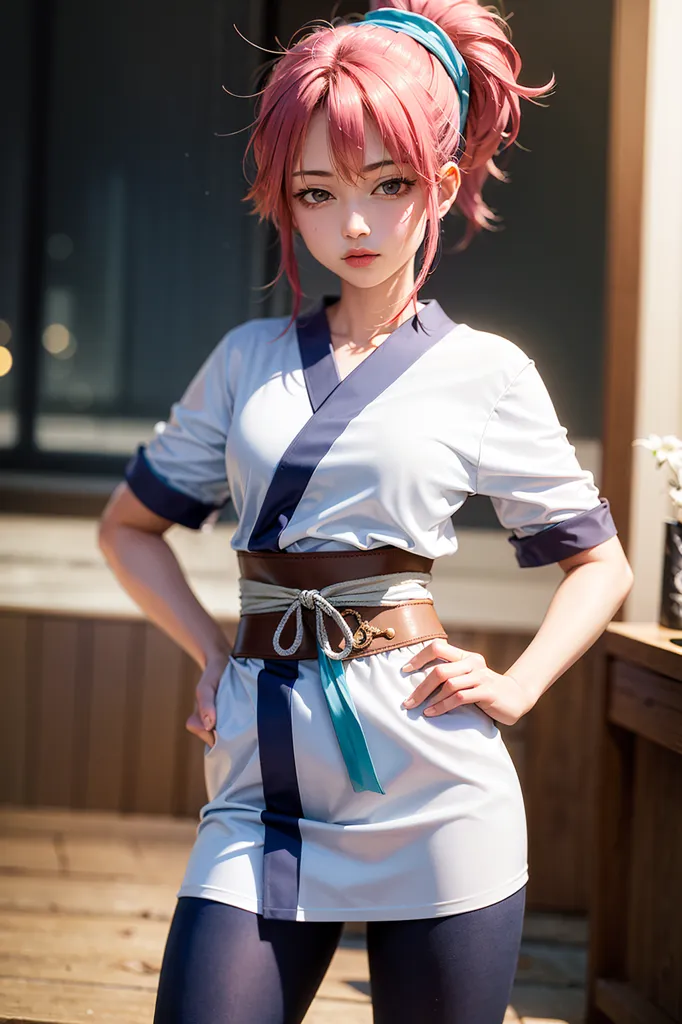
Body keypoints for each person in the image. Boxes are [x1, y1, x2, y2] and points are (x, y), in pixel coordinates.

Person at [98, 2, 634, 1022]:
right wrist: (210, 653)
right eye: (318, 190)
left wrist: (515, 687)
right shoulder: (245, 362)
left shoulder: (487, 373)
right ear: (284, 203)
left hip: (435, 786)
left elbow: (599, 563)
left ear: (437, 186)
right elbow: (128, 527)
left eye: (387, 185)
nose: (353, 221)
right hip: (260, 788)